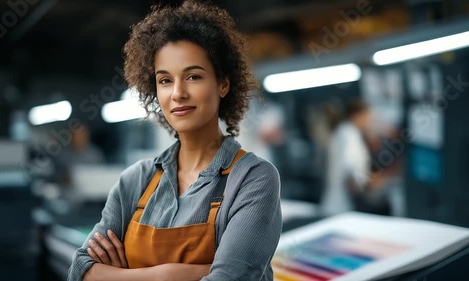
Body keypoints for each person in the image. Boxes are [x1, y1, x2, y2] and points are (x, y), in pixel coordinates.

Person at [67, 1, 282, 281]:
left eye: (193, 76)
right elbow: (78, 271)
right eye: (165, 80)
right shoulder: (135, 181)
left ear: (223, 84)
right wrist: (166, 275)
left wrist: (121, 274)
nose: (178, 93)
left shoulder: (253, 179)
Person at [320, 99, 387, 215]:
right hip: (341, 205)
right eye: (368, 116)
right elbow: (350, 171)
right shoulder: (347, 134)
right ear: (357, 116)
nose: (370, 121)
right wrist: (369, 181)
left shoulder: (349, 133)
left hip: (342, 204)